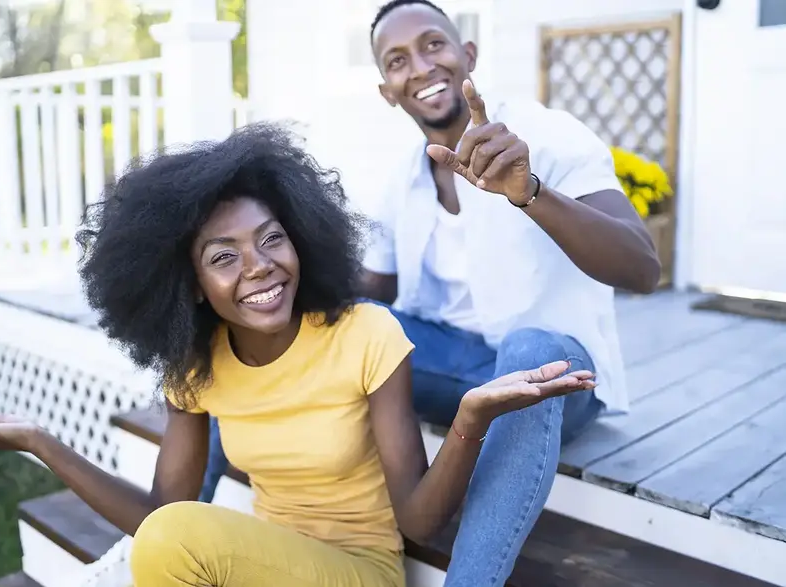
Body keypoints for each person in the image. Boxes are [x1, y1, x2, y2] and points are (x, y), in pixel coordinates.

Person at [0, 123, 595, 586]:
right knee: (173, 535)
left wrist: (471, 417)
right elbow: (160, 511)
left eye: (271, 239)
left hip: (357, 569)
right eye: (223, 257)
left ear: (300, 236)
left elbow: (417, 520)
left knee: (176, 540)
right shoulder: (197, 367)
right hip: (264, 565)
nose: (259, 267)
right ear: (191, 284)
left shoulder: (364, 333)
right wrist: (41, 442)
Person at [197, 0, 662, 585]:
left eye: (433, 46)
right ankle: (180, 530)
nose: (419, 66)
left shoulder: (546, 135)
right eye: (397, 60)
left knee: (528, 349)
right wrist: (261, 279)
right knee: (260, 320)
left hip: (558, 375)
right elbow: (370, 293)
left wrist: (529, 191)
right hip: (455, 368)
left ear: (468, 56)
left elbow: (644, 269)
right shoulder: (404, 179)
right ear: (387, 90)